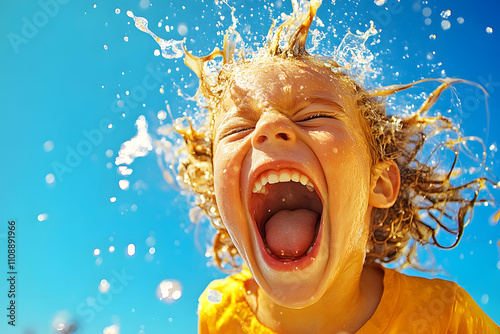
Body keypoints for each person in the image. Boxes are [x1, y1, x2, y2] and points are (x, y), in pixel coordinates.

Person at [171, 1, 500, 333]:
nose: (268, 127)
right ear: (218, 192)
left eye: (314, 116)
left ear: (380, 184)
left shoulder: (443, 318)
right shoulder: (219, 314)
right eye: (239, 128)